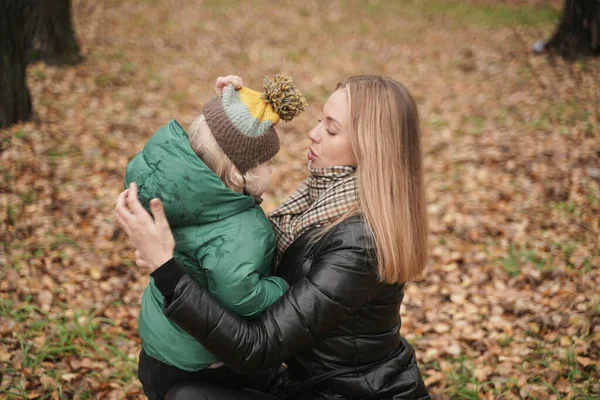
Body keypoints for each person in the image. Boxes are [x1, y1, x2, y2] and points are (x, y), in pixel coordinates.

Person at [116, 74, 431, 399]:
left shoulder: (360, 243)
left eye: (331, 129)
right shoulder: (324, 198)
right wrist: (229, 117)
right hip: (305, 378)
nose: (314, 133)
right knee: (184, 383)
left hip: (348, 393)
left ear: (371, 148)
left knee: (187, 397)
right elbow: (227, 231)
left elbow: (257, 347)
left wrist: (167, 270)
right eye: (319, 120)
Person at [124, 75, 307, 399]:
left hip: (159, 344)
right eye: (267, 163)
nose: (272, 171)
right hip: (199, 361)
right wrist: (280, 286)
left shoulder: (179, 187)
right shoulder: (241, 230)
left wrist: (228, 106)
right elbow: (240, 295)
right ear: (240, 175)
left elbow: (213, 138)